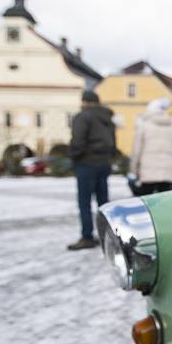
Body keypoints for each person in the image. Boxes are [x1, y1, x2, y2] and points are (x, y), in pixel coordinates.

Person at [67, 90, 116, 250]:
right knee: (103, 203)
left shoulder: (83, 117)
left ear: (85, 102)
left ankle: (87, 236)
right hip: (103, 163)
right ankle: (108, 236)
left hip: (86, 164)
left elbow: (78, 141)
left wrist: (74, 157)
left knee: (84, 202)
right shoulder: (107, 118)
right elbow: (113, 143)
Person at [130, 97, 172, 195]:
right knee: (164, 203)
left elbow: (136, 151)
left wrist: (134, 169)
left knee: (147, 202)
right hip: (167, 173)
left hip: (147, 173)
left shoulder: (143, 126)